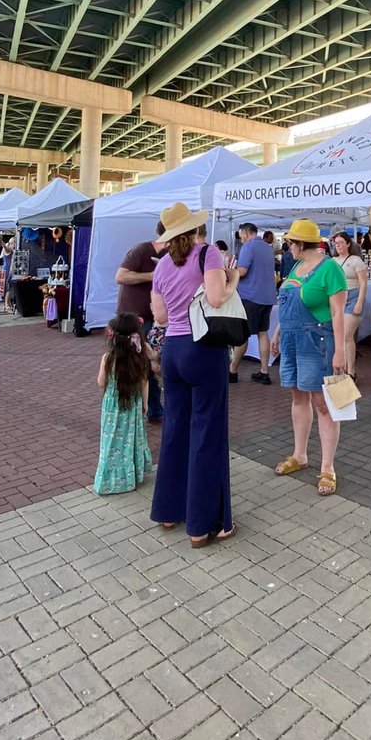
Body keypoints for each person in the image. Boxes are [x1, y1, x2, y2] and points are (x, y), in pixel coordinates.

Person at [150, 202, 239, 547]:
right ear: (195, 229)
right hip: (203, 348)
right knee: (208, 432)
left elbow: (158, 316)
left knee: (175, 429)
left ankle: (169, 511)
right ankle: (203, 526)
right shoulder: (208, 254)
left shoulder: (161, 267)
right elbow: (217, 299)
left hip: (172, 350)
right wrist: (231, 281)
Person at [271, 219, 347, 498]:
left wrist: (340, 350)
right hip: (292, 339)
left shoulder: (329, 269)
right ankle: (299, 455)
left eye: (290, 242)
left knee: (322, 403)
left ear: (301, 244)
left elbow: (338, 313)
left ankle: (328, 467)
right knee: (298, 396)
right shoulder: (295, 267)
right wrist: (279, 331)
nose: (287, 246)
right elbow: (287, 305)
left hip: (317, 340)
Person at [93, 312, 152, 495]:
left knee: (111, 441)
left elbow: (101, 382)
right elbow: (144, 382)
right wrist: (145, 403)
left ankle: (109, 480)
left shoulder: (108, 358)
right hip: (133, 404)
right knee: (130, 440)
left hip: (112, 406)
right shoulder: (139, 357)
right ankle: (132, 475)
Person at [115, 223, 167, 423]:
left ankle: (153, 409)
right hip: (133, 320)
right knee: (135, 365)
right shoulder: (142, 250)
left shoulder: (170, 257)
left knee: (152, 364)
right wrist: (153, 276)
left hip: (156, 319)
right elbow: (120, 276)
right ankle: (132, 409)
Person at [230, 222, 278, 385]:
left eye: (240, 234)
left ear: (245, 233)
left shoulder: (248, 247)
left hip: (251, 296)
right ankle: (264, 371)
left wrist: (228, 271)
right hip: (268, 296)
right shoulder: (267, 247)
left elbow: (242, 271)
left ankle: (232, 371)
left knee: (243, 334)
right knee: (262, 332)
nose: (240, 238)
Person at [331, 231, 367, 378]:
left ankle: (351, 371)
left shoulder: (356, 260)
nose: (338, 245)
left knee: (346, 335)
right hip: (338, 298)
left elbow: (363, 283)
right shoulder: (332, 261)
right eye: (336, 243)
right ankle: (342, 367)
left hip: (353, 296)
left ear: (348, 244)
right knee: (339, 335)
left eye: (341, 243)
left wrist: (359, 302)